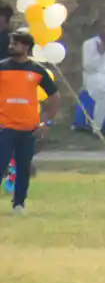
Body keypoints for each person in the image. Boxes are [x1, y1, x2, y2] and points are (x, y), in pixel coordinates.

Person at [2, 28, 57, 214]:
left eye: (15, 44)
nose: (11, 46)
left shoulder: (37, 70)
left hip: (28, 128)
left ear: (26, 47)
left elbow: (55, 97)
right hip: (5, 127)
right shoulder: (2, 67)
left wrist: (46, 122)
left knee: (23, 168)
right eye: (11, 43)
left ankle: (19, 204)